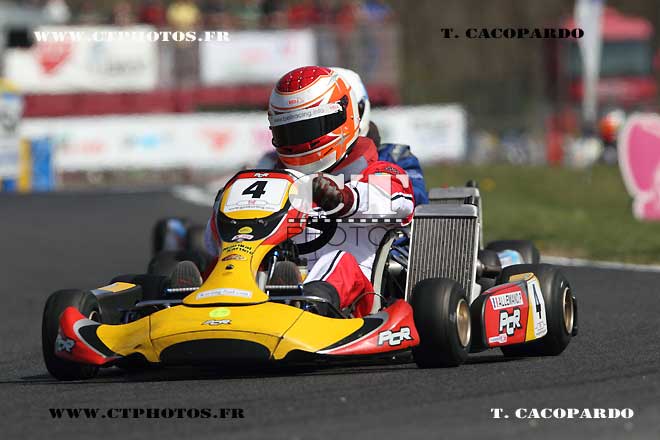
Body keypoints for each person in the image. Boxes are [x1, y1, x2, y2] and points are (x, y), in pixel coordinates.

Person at [205, 66, 415, 317]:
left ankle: (308, 306)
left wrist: (343, 198)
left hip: (354, 301)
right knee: (221, 263)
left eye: (306, 129)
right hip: (276, 282)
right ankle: (198, 301)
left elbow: (399, 202)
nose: (298, 142)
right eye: (288, 132)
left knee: (338, 261)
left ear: (340, 118)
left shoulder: (377, 171)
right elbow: (211, 244)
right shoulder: (275, 182)